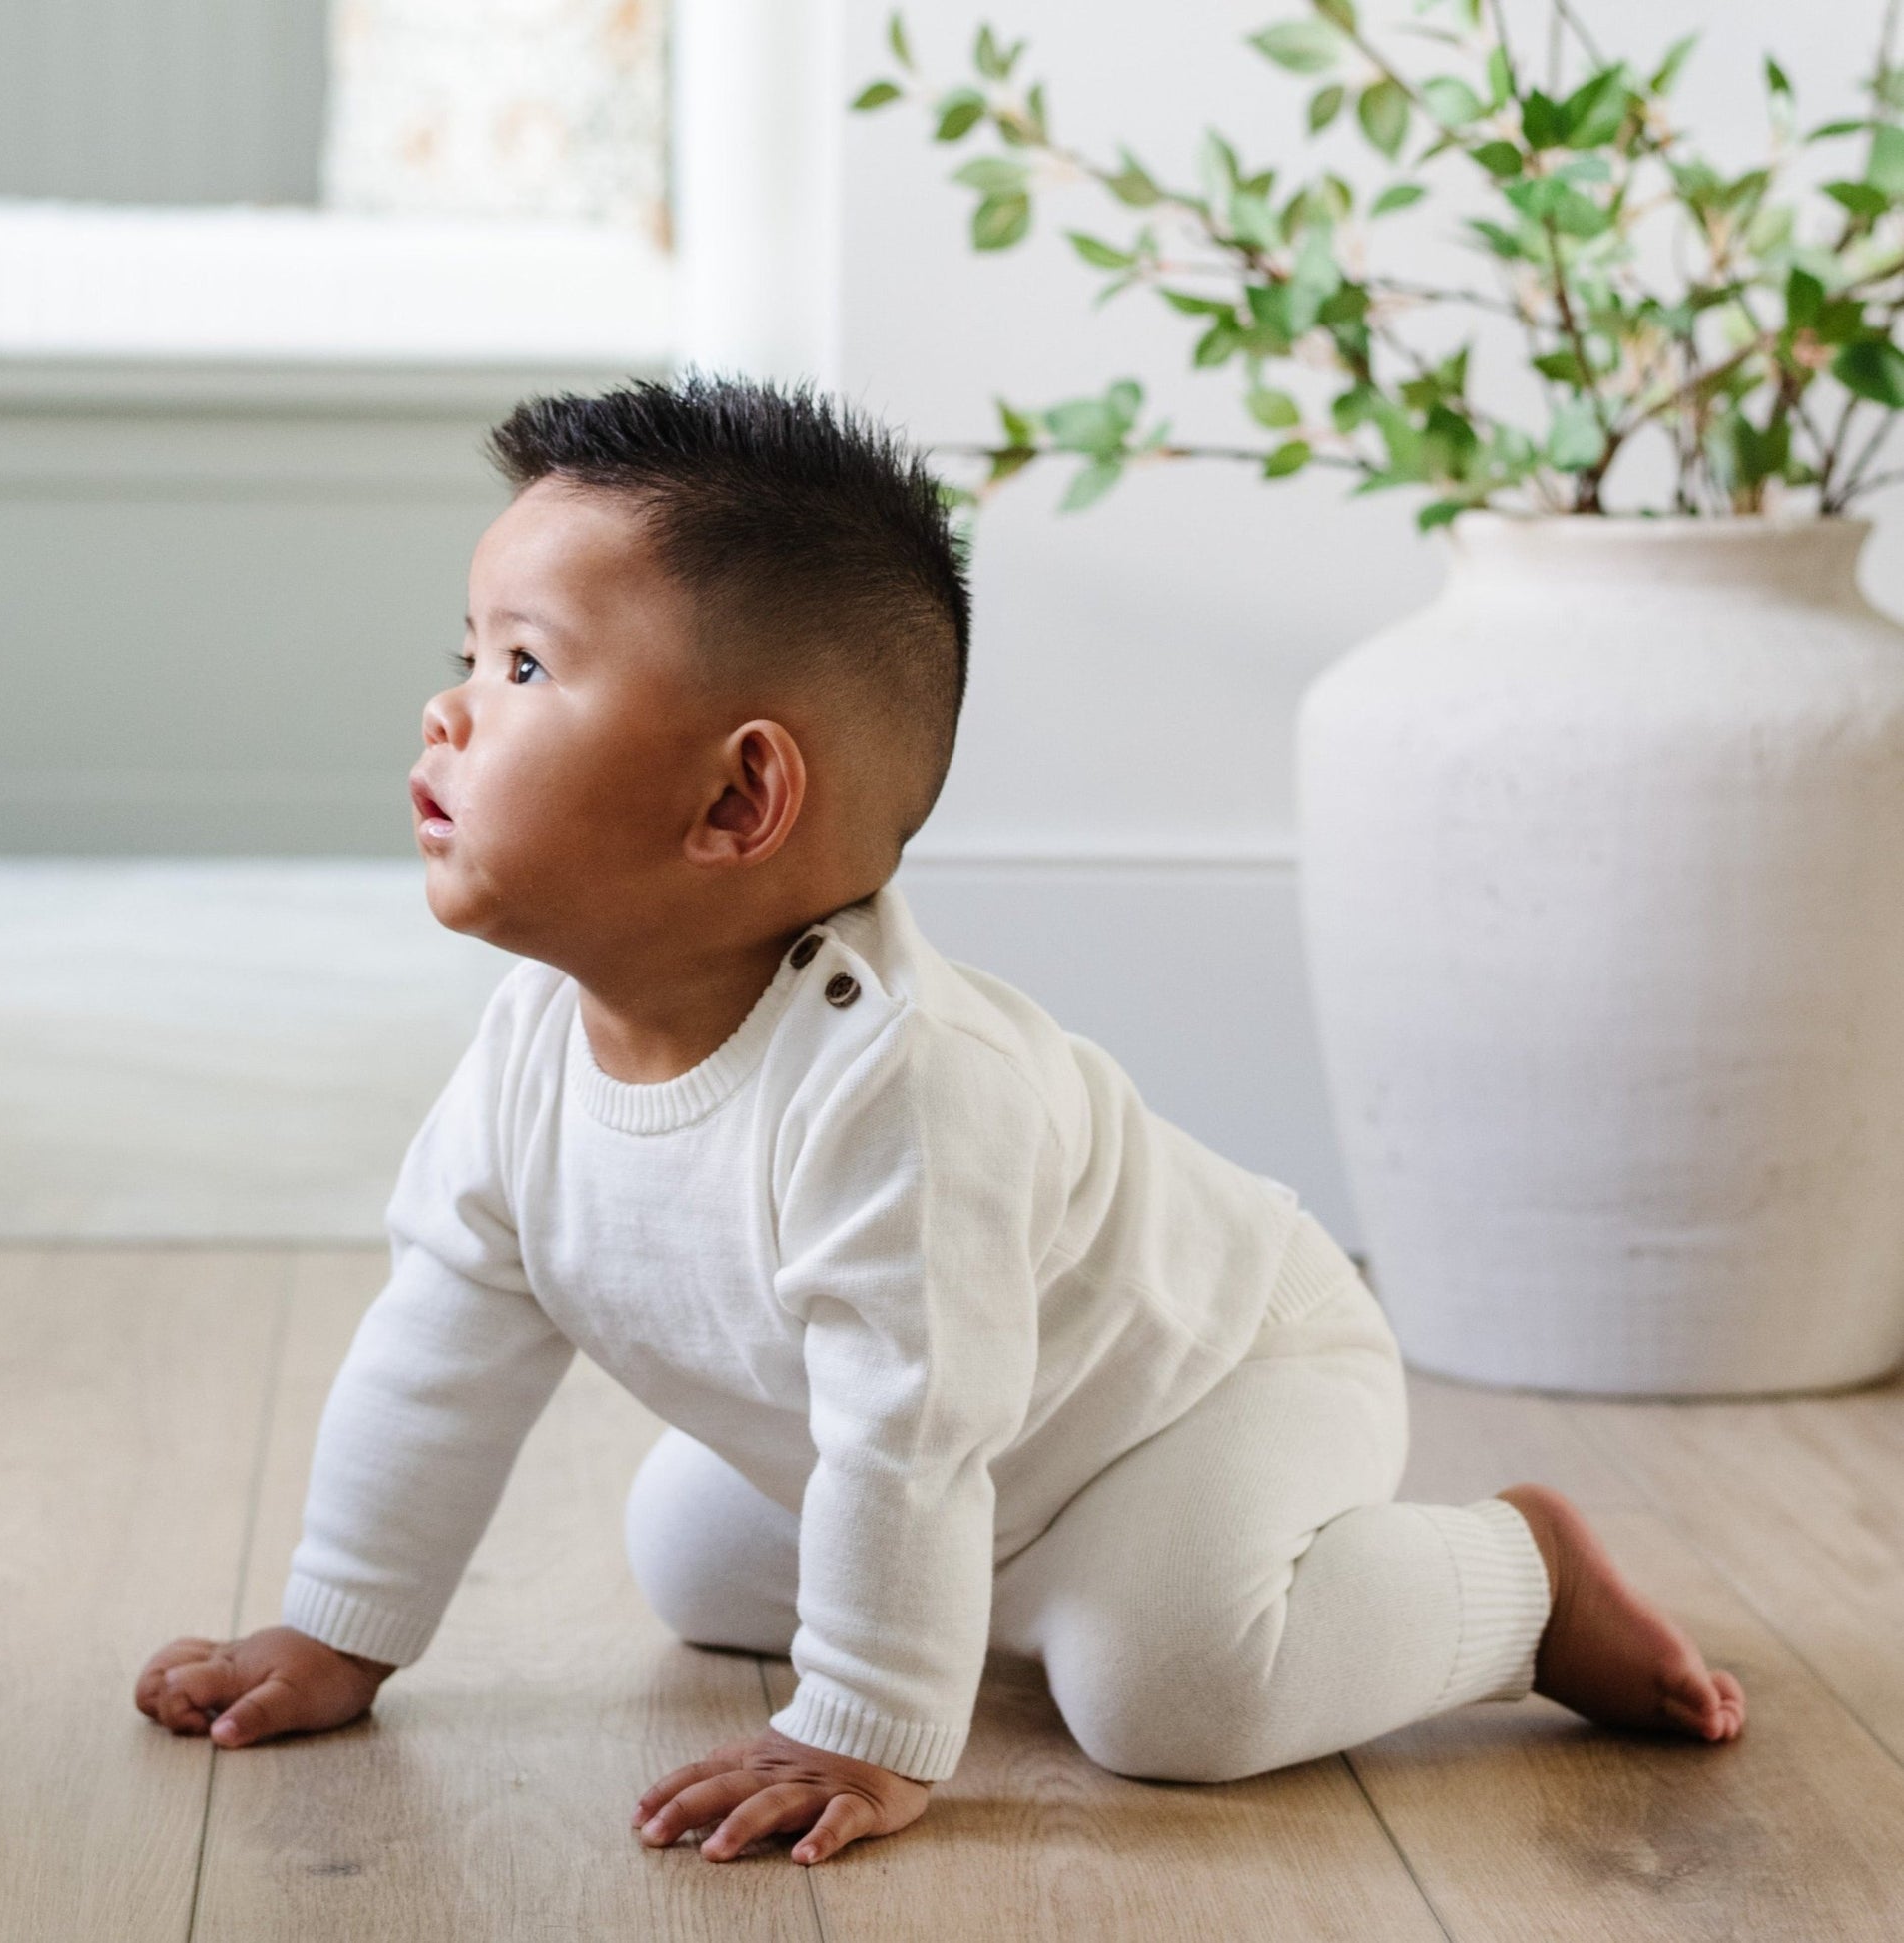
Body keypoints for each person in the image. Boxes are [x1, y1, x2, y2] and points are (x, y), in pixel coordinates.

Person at [133, 376, 1745, 1867]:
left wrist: (862, 1723)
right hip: (980, 1436)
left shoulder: (903, 1089)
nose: (449, 710)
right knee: (688, 1550)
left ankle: (1517, 1580)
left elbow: (907, 1432)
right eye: (470, 651)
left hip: (1208, 1386)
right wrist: (336, 1631)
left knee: (1168, 1694)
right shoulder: (529, 1053)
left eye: (526, 667)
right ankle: (1011, 1590)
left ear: (736, 799)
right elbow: (438, 1351)